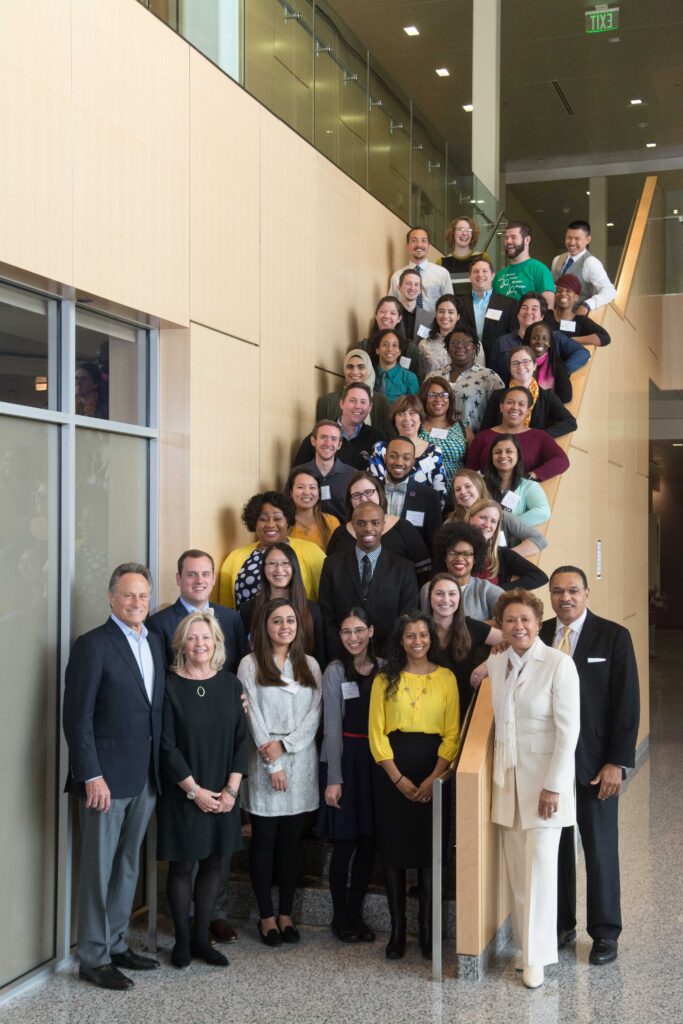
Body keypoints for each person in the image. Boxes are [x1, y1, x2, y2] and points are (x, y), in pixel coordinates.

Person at [63, 563, 165, 990]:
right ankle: (93, 956)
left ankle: (117, 944)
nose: (136, 603)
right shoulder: (93, 646)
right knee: (98, 869)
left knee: (127, 866)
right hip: (104, 780)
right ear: (111, 598)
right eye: (128, 595)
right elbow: (77, 718)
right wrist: (91, 775)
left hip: (145, 777)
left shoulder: (155, 643)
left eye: (143, 595)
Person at [541, 566, 640, 966]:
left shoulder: (614, 636)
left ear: (586, 594)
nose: (565, 598)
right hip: (548, 766)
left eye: (573, 591)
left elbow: (627, 704)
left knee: (599, 849)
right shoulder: (540, 633)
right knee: (556, 847)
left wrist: (617, 761)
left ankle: (604, 933)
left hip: (595, 764)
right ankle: (561, 925)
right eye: (558, 591)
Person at [488, 588, 580, 989]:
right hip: (507, 785)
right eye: (510, 620)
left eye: (525, 619)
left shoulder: (558, 664)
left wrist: (554, 786)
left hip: (546, 788)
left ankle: (538, 958)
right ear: (501, 626)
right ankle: (527, 948)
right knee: (517, 872)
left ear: (536, 623)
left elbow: (568, 731)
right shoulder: (496, 665)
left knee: (541, 871)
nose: (518, 626)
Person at [157, 612, 248, 968]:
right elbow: (166, 745)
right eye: (193, 638)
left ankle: (200, 940)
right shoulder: (169, 684)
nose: (200, 644)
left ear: (217, 643)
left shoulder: (230, 685)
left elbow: (242, 741)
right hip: (184, 792)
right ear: (182, 643)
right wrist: (195, 791)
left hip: (224, 792)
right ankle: (181, 941)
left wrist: (230, 791)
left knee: (215, 864)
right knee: (183, 867)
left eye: (206, 638)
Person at [369, 613, 459, 959]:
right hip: (393, 768)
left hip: (433, 767)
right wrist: (399, 779)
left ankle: (426, 930)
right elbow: (376, 733)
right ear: (400, 640)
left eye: (423, 634)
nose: (418, 641)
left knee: (429, 853)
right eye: (410, 635)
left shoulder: (447, 678)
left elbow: (452, 733)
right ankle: (397, 931)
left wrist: (434, 778)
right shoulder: (383, 679)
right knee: (393, 854)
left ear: (431, 639)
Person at [238, 599, 322, 947]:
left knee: (291, 844)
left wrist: (286, 747)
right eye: (277, 621)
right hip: (262, 762)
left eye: (290, 620)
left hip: (301, 762)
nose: (284, 626)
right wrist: (273, 761)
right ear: (265, 625)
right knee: (264, 843)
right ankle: (266, 916)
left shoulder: (310, 664)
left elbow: (315, 713)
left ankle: (286, 914)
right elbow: (252, 713)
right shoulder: (249, 664)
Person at [319, 608, 381, 942]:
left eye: (359, 630)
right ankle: (339, 916)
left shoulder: (385, 668)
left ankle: (357, 913)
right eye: (346, 632)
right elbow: (331, 726)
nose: (353, 637)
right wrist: (334, 778)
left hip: (373, 762)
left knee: (368, 843)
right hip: (343, 759)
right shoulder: (335, 671)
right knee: (344, 844)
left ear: (370, 630)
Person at [319, 500, 419, 659]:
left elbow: (406, 617)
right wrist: (345, 650)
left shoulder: (403, 568)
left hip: (389, 659)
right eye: (361, 523)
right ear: (352, 526)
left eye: (374, 523)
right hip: (344, 656)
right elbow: (327, 615)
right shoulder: (332, 565)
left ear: (383, 525)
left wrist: (385, 658)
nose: (368, 529)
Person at [148, 549, 249, 674]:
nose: (199, 580)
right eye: (191, 574)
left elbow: (244, 666)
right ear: (178, 579)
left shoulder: (232, 618)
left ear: (213, 579)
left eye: (205, 574)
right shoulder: (158, 624)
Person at [218, 491, 325, 609]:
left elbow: (327, 596)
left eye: (277, 518)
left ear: (288, 521)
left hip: (295, 626)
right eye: (263, 519)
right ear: (254, 522)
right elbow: (224, 609)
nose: (270, 524)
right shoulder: (234, 558)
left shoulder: (311, 551)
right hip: (245, 626)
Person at [326, 471, 432, 582]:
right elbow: (330, 575)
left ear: (379, 494)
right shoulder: (340, 534)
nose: (363, 498)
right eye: (357, 495)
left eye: (368, 492)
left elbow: (424, 572)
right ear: (350, 501)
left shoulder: (403, 528)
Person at [238, 542, 325, 668]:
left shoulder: (312, 610)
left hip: (304, 680)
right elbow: (244, 652)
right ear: (263, 569)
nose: (279, 569)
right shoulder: (248, 609)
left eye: (285, 563)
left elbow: (320, 655)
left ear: (294, 567)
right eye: (272, 563)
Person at [428, 572, 502, 715]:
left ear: (459, 598)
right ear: (429, 596)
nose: (446, 599)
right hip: (426, 708)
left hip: (462, 708)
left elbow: (513, 641)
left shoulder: (470, 626)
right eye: (439, 593)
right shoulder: (420, 627)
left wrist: (488, 664)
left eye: (452, 594)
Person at [466, 387, 571, 483]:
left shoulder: (539, 437)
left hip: (523, 498)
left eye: (521, 404)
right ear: (501, 407)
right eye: (510, 402)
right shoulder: (482, 437)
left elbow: (562, 461)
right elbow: (470, 472)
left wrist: (531, 476)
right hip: (486, 498)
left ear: (528, 411)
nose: (515, 407)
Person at [479, 346, 577, 439]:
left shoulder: (547, 396)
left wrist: (538, 436)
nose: (520, 366)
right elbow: (484, 431)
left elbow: (570, 422)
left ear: (534, 366)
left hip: (533, 452)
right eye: (515, 363)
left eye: (525, 362)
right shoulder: (498, 395)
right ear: (510, 368)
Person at [368, 394, 447, 507]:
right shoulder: (381, 449)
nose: (407, 419)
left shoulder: (434, 452)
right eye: (401, 414)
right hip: (384, 516)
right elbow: (373, 488)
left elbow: (440, 494)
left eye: (412, 413)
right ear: (394, 420)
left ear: (421, 419)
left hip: (422, 517)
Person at [366, 436, 443, 551]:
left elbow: (435, 541)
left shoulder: (429, 496)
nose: (399, 462)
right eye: (393, 456)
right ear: (385, 457)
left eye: (406, 458)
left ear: (413, 462)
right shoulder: (370, 491)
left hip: (413, 564)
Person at [451, 468, 549, 557]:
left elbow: (539, 540)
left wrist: (503, 557)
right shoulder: (451, 523)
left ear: (479, 487)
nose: (463, 492)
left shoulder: (501, 516)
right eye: (458, 489)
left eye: (468, 486)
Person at [427, 323, 505, 433]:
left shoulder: (490, 378)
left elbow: (500, 415)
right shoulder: (434, 376)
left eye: (465, 342)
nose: (459, 346)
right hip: (434, 439)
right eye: (454, 343)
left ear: (475, 347)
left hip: (473, 440)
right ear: (447, 348)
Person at [292, 382, 388, 470]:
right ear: (341, 403)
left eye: (363, 402)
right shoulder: (320, 436)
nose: (358, 406)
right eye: (352, 400)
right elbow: (297, 474)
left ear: (370, 408)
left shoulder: (378, 439)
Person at [424, 521, 503, 621]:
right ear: (444, 557)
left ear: (475, 559)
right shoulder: (428, 589)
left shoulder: (486, 590)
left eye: (467, 554)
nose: (460, 558)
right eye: (453, 553)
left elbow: (510, 619)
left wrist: (473, 628)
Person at [465, 498, 548, 592]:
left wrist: (497, 591)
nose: (488, 525)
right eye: (483, 517)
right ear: (470, 518)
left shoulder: (502, 554)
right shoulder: (453, 548)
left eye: (493, 521)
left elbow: (539, 577)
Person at [316, 348, 394, 436]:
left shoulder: (381, 402)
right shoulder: (327, 402)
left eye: (361, 367)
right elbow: (319, 436)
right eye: (350, 367)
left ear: (368, 369)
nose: (355, 372)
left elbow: (388, 437)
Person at [482, 434, 551, 526]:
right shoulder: (479, 482)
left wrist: (506, 526)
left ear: (517, 455)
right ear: (491, 457)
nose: (503, 455)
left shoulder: (528, 487)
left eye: (509, 451)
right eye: (497, 452)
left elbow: (543, 512)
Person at [459, 257, 518, 364]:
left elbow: (513, 335)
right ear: (469, 276)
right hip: (466, 361)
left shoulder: (509, 304)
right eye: (476, 271)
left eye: (485, 271)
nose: (480, 275)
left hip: (499, 361)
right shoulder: (459, 304)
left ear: (493, 275)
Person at [352, 296, 424, 382]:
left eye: (392, 313)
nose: (386, 316)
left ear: (399, 318)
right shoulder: (363, 347)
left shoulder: (410, 350)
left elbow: (418, 382)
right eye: (382, 312)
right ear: (376, 315)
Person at [550, 220, 617, 312]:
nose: (572, 243)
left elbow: (610, 292)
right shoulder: (557, 259)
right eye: (569, 238)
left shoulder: (591, 263)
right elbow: (552, 286)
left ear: (588, 239)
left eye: (577, 239)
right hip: (556, 316)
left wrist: (588, 305)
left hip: (578, 318)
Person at [418, 376, 468, 496]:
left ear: (450, 399)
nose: (438, 399)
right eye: (432, 395)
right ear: (424, 398)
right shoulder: (415, 427)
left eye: (443, 395)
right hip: (424, 495)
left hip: (458, 497)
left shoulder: (462, 428)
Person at [288, 435, 351, 527]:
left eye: (333, 439)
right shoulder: (298, 472)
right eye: (323, 437)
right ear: (313, 441)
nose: (328, 443)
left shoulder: (352, 474)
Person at [389, 225, 454, 313]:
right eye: (414, 241)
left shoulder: (442, 273)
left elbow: (450, 305)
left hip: (434, 325)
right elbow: (391, 308)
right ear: (407, 245)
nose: (419, 245)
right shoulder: (397, 276)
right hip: (406, 325)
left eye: (423, 241)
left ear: (428, 246)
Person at [492, 221, 555, 307]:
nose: (508, 241)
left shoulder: (540, 270)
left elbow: (548, 309)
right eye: (506, 238)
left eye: (513, 237)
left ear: (527, 240)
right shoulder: (499, 275)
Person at [551, 274, 612, 348]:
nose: (563, 293)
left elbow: (605, 338)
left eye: (568, 291)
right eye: (559, 290)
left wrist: (570, 340)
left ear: (576, 297)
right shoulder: (545, 314)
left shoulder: (580, 321)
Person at [287, 467, 341, 550]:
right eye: (300, 487)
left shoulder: (331, 522)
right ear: (291, 492)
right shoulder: (283, 523)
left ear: (319, 492)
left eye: (312, 487)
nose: (307, 492)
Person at [371, 329, 419, 403]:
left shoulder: (409, 378)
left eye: (394, 345)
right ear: (377, 350)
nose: (390, 349)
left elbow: (414, 408)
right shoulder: (368, 374)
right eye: (385, 345)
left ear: (399, 351)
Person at [418, 295, 461, 376]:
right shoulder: (424, 344)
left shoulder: (470, 344)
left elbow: (479, 375)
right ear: (436, 314)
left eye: (451, 312)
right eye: (441, 311)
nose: (445, 316)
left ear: (458, 316)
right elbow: (420, 377)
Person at [395, 267, 434, 342]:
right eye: (408, 284)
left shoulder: (430, 319)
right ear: (399, 287)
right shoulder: (391, 316)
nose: (412, 288)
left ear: (420, 290)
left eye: (416, 284)